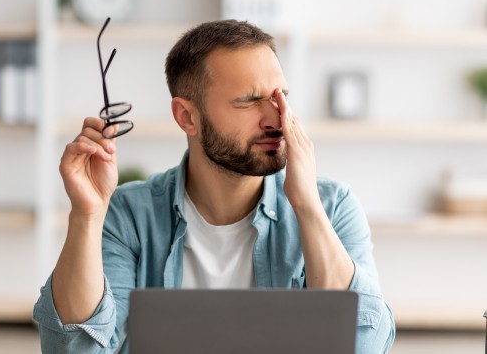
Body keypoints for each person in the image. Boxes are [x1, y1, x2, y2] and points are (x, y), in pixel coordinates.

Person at [33, 19, 396, 353]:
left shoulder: (331, 206)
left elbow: (362, 346)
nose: (277, 119)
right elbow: (77, 350)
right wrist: (86, 215)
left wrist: (307, 207)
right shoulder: (130, 215)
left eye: (280, 96)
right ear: (187, 117)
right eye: (250, 100)